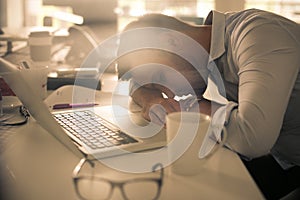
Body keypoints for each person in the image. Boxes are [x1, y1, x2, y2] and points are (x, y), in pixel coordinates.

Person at [116, 9, 300, 200]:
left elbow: (252, 138)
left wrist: (197, 109)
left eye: (161, 76)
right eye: (159, 87)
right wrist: (150, 97)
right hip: (281, 158)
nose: (170, 94)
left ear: (172, 41)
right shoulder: (211, 47)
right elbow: (134, 83)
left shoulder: (258, 34)